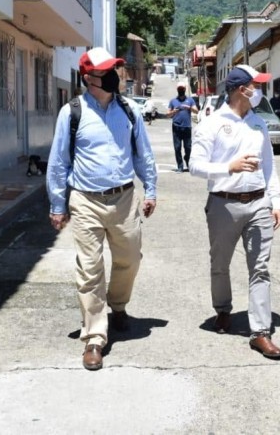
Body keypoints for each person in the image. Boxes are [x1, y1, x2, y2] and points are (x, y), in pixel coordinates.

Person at [46, 47, 158, 371]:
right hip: (85, 200)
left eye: (115, 70)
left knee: (130, 259)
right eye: (108, 71)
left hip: (124, 199)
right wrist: (57, 204)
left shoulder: (129, 110)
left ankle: (118, 305)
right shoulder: (72, 113)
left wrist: (150, 190)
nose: (115, 76)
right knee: (90, 268)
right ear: (89, 78)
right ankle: (94, 337)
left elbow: (143, 154)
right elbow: (58, 162)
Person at [189, 65, 280, 359]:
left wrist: (275, 200)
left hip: (258, 203)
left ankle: (260, 332)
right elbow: (195, 165)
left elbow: (269, 165)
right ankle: (223, 310)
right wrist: (227, 167)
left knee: (260, 268)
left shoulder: (259, 124)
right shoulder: (212, 123)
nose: (259, 91)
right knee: (220, 263)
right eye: (256, 85)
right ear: (242, 89)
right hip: (223, 204)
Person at [167, 84, 198, 172]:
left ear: (185, 89)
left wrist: (189, 107)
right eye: (179, 89)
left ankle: (187, 161)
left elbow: (196, 111)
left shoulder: (190, 100)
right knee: (177, 147)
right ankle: (180, 166)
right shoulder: (173, 101)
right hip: (176, 127)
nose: (181, 90)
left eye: (182, 89)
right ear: (177, 90)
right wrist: (174, 111)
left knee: (188, 147)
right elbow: (168, 114)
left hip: (187, 127)